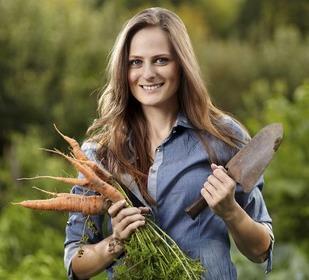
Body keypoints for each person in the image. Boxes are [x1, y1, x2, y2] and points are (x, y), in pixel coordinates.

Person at [64, 7, 274, 280]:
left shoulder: (223, 137)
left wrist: (231, 212)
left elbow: (261, 250)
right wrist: (115, 242)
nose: (147, 73)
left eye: (161, 60)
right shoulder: (101, 153)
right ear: (123, 69)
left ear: (182, 64)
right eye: (135, 62)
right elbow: (74, 262)